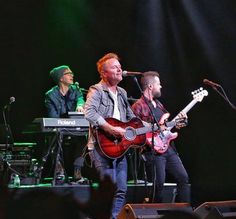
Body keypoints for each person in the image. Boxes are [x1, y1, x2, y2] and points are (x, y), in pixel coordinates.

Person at [84, 53, 137, 219]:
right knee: (108, 191)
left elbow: (130, 118)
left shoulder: (122, 92)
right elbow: (89, 112)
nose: (119, 69)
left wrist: (151, 127)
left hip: (119, 148)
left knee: (121, 189)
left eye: (119, 66)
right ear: (104, 73)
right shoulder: (96, 90)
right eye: (114, 67)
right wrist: (109, 128)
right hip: (101, 147)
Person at [131, 71, 191, 203]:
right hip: (152, 150)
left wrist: (180, 122)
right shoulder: (138, 106)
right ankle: (155, 212)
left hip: (168, 148)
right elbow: (135, 130)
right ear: (150, 86)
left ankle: (186, 212)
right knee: (159, 184)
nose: (161, 86)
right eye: (159, 84)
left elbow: (167, 126)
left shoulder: (158, 104)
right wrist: (153, 133)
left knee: (183, 177)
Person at [45, 65, 85, 184]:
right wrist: (65, 122)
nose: (72, 75)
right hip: (59, 128)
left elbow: (81, 99)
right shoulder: (50, 95)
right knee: (53, 139)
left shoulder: (75, 89)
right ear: (61, 78)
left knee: (83, 140)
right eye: (68, 73)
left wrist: (79, 105)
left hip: (74, 128)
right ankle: (59, 171)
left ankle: (77, 171)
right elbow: (53, 118)